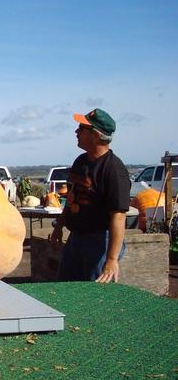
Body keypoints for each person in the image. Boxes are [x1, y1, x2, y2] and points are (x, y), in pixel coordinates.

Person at [50, 108, 131, 283]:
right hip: (76, 239)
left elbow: (118, 216)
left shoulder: (114, 170)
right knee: (66, 290)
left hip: (101, 242)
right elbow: (71, 200)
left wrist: (111, 259)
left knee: (95, 294)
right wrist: (59, 227)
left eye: (81, 128)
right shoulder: (80, 162)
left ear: (95, 135)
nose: (76, 132)